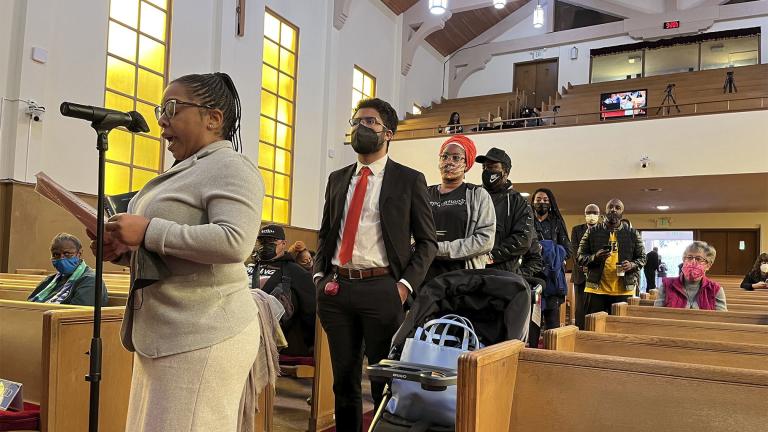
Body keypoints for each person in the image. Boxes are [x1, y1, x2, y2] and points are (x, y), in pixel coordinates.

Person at [94, 72, 263, 431]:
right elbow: (168, 250)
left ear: (213, 118)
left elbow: (235, 241)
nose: (161, 119)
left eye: (172, 108)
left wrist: (149, 230)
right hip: (167, 330)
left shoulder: (231, 167)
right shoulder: (185, 171)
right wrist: (125, 250)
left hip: (205, 332)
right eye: (161, 108)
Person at [314, 98, 437, 431]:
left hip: (382, 289)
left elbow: (428, 242)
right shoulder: (338, 178)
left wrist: (403, 287)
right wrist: (318, 275)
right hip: (337, 289)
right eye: (356, 121)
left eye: (369, 122)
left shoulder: (409, 180)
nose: (360, 127)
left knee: (384, 382)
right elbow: (326, 232)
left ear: (389, 134)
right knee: (344, 381)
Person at [426, 135, 495, 280]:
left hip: (462, 276)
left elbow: (485, 240)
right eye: (444, 157)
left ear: (466, 164)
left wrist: (438, 249)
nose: (448, 162)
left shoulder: (478, 195)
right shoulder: (424, 193)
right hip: (425, 273)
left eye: (456, 158)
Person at [578, 199, 645, 316]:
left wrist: (632, 265)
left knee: (620, 329)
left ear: (622, 213)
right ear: (606, 210)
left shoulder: (633, 234)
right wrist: (595, 257)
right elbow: (579, 257)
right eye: (611, 207)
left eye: (617, 208)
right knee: (594, 327)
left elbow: (643, 258)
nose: (613, 209)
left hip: (624, 289)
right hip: (596, 289)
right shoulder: (592, 232)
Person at [255, 225, 316, 355]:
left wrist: (309, 345)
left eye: (271, 241)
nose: (266, 245)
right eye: (262, 241)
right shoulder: (249, 267)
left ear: (283, 244)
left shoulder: (298, 273)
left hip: (278, 341)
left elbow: (310, 312)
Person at [475, 147, 534, 274]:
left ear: (505, 172)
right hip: (471, 270)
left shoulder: (518, 201)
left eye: (492, 167)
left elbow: (523, 239)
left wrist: (490, 256)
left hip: (502, 274)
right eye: (484, 167)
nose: (486, 171)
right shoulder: (474, 196)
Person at [28, 233, 108, 306]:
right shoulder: (50, 280)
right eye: (56, 254)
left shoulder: (91, 281)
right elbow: (30, 303)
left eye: (67, 254)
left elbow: (75, 314)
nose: (61, 258)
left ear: (79, 254)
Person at [530, 188, 571, 334]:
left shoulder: (557, 222)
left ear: (551, 203)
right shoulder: (527, 220)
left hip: (552, 278)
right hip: (532, 276)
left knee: (552, 324)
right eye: (538, 200)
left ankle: (550, 355)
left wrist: (551, 251)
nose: (542, 203)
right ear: (533, 202)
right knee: (531, 323)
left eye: (546, 200)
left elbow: (568, 249)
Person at [654, 241, 726, 311]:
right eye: (689, 257)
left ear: (708, 265)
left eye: (698, 259)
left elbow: (721, 319)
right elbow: (657, 314)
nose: (693, 262)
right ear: (684, 260)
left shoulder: (715, 289)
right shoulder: (667, 285)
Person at [570, 204, 600, 329]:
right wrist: (583, 265)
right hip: (580, 275)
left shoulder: (603, 230)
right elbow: (575, 251)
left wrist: (591, 265)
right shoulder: (577, 230)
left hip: (596, 275)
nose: (591, 215)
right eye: (588, 212)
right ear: (585, 214)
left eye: (594, 212)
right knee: (580, 309)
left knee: (594, 309)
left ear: (599, 215)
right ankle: (579, 334)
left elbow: (601, 252)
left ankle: (592, 335)